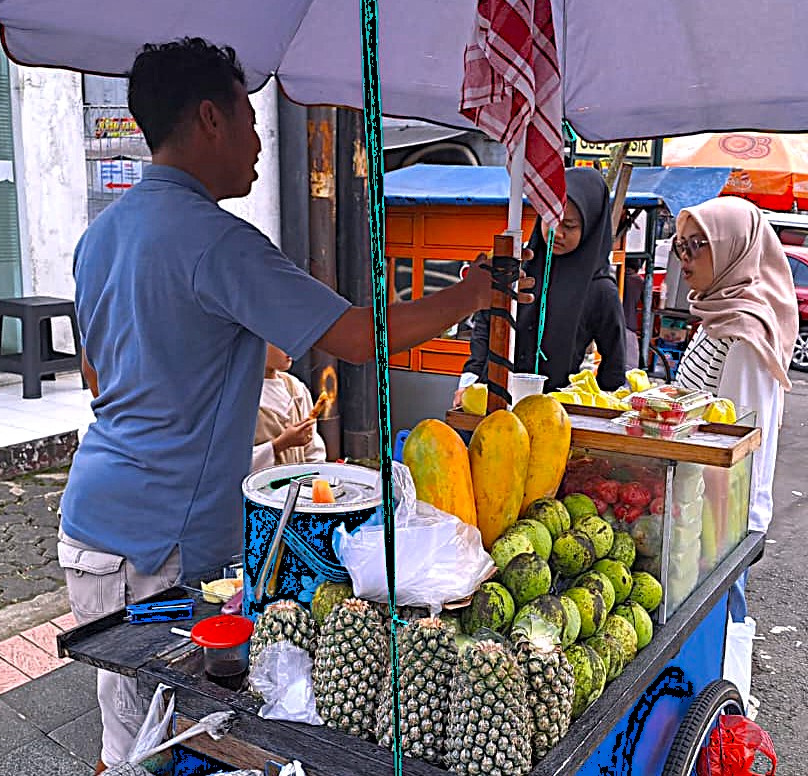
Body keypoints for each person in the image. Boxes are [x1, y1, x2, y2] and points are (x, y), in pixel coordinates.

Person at [59, 39, 532, 772]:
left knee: (130, 731)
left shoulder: (99, 237)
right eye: (249, 119)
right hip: (158, 546)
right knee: (153, 747)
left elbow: (97, 376)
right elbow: (360, 335)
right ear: (209, 119)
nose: (256, 141)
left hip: (96, 521)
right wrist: (472, 294)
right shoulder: (217, 242)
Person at [670, 197, 797, 615]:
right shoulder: (717, 316)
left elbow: (740, 446)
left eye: (697, 245)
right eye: (680, 245)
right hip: (698, 510)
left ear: (733, 249)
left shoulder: (744, 334)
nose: (684, 257)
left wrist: (721, 540)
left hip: (720, 524)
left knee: (714, 633)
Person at [458, 166, 626, 400]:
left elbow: (615, 364)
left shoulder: (599, 290)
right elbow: (485, 323)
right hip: (492, 398)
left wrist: (594, 409)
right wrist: (471, 377)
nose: (557, 233)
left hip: (554, 412)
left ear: (590, 228)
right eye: (551, 220)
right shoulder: (517, 265)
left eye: (569, 226)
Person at [251, 344, 326, 470]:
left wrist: (316, 476)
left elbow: (313, 447)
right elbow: (230, 462)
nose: (293, 347)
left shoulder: (296, 388)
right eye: (279, 341)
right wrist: (279, 445)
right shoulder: (240, 397)